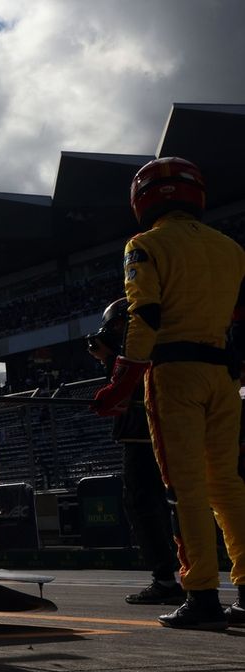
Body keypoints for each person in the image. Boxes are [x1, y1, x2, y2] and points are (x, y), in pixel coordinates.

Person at [94, 156, 245, 630]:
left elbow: (146, 316)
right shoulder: (231, 249)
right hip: (224, 376)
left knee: (185, 490)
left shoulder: (144, 245)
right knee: (228, 485)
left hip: (174, 374)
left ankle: (200, 594)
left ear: (142, 199)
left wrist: (121, 381)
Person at [87, 297, 184, 604]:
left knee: (143, 506)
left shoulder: (133, 353)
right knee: (183, 505)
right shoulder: (170, 339)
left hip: (144, 439)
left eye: (118, 325)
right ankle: (194, 578)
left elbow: (119, 398)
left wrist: (108, 362)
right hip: (178, 433)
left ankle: (166, 580)